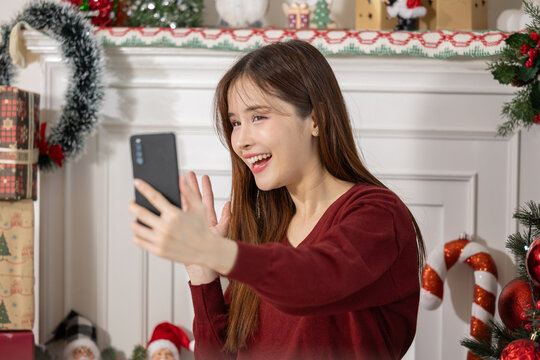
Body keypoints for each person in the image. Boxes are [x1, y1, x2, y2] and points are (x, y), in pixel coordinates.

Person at [128, 39, 425, 360]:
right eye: (235, 123)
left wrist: (215, 250)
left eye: (258, 117)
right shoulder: (265, 236)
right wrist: (203, 274)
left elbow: (313, 280)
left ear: (316, 119)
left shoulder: (379, 215)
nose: (240, 140)